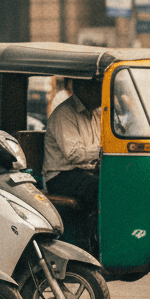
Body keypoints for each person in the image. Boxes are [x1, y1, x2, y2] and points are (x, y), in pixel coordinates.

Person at [42, 75, 104, 254]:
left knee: (118, 182)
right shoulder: (65, 113)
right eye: (98, 89)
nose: (102, 94)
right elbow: (75, 154)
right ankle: (94, 244)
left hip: (83, 172)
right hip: (61, 176)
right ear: (84, 89)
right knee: (101, 188)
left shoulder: (95, 114)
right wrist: (103, 151)